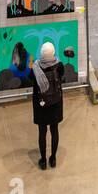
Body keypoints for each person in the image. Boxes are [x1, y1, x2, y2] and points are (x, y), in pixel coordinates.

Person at [31, 41, 66, 170]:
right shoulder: (59, 66)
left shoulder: (35, 68)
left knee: (42, 132)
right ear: (53, 53)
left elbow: (32, 82)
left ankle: (43, 161)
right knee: (54, 130)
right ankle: (53, 158)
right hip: (55, 104)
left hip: (41, 105)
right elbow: (61, 78)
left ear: (41, 54)